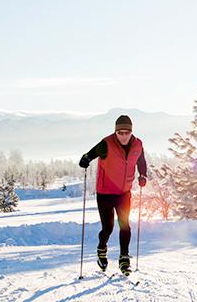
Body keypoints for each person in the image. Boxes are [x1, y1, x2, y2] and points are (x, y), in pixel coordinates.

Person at [79, 114, 147, 276]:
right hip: (105, 193)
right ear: (115, 132)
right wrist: (85, 159)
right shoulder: (106, 143)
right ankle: (102, 247)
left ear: (131, 132)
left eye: (126, 132)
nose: (123, 136)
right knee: (108, 228)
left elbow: (141, 161)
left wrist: (143, 175)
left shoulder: (138, 145)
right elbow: (90, 154)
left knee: (125, 225)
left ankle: (124, 259)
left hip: (124, 193)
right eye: (120, 133)